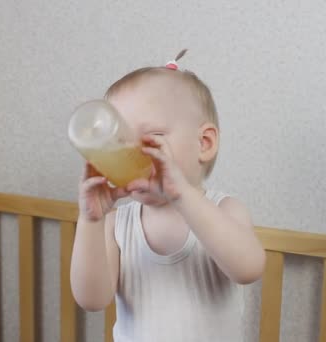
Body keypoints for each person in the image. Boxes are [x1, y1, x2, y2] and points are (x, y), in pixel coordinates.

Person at [70, 50, 266, 341]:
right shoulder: (116, 224)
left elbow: (248, 269)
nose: (133, 152)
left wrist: (182, 195)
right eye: (119, 140)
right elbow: (92, 300)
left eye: (152, 137)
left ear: (204, 143)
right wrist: (90, 221)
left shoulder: (224, 210)